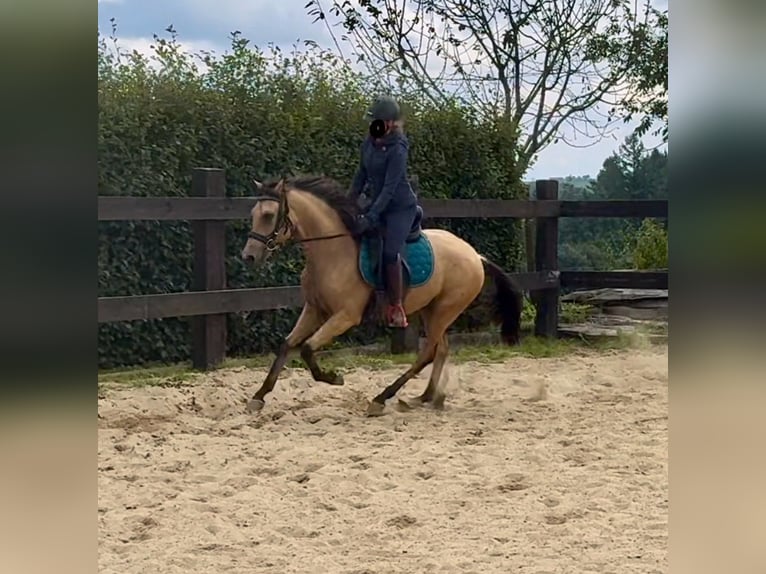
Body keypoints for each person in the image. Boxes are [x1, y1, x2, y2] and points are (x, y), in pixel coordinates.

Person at [349, 95, 419, 329]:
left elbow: (390, 188)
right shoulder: (368, 143)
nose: (374, 124)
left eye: (378, 120)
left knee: (390, 253)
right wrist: (348, 204)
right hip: (377, 202)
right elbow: (361, 175)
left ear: (390, 123)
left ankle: (397, 306)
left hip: (400, 207)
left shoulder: (398, 148)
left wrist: (371, 216)